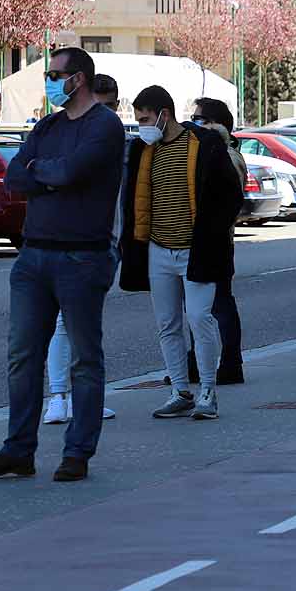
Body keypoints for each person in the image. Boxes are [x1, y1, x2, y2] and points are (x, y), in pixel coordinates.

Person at [0, 46, 124, 483]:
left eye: (56, 75)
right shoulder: (48, 125)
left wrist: (48, 173)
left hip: (82, 255)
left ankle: (77, 452)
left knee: (84, 359)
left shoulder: (105, 126)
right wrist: (46, 173)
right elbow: (16, 177)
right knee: (22, 356)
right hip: (33, 254)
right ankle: (18, 450)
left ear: (78, 78)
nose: (50, 82)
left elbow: (72, 172)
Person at [117, 85, 241, 421]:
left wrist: (214, 233)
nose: (141, 125)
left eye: (144, 118)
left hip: (196, 249)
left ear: (164, 114)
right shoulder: (143, 150)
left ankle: (208, 392)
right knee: (167, 323)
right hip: (157, 249)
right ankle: (180, 391)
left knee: (200, 318)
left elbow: (231, 195)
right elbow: (133, 200)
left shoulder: (204, 143)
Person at [43, 73, 123, 425]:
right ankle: (59, 395)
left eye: (108, 107)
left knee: (86, 326)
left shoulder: (118, 140)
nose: (101, 115)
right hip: (69, 239)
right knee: (63, 323)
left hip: (103, 242)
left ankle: (81, 396)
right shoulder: (66, 136)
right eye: (97, 106)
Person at [190, 96, 247, 384]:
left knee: (220, 303)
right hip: (198, 239)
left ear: (216, 124)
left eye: (199, 118)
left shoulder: (229, 155)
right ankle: (194, 362)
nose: (194, 122)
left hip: (217, 240)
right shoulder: (202, 151)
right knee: (197, 305)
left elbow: (230, 201)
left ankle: (231, 363)